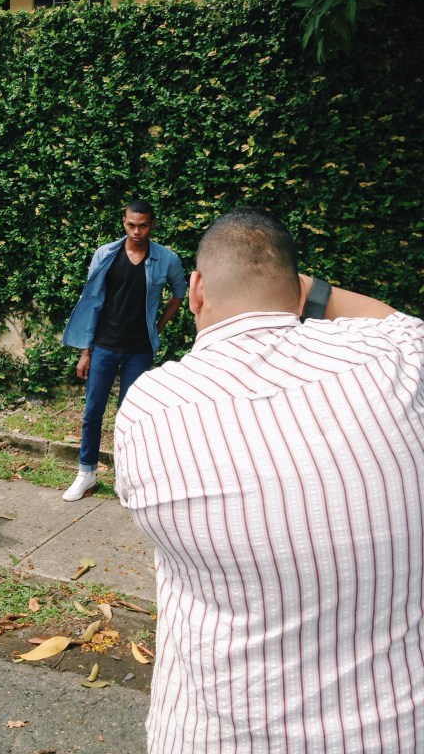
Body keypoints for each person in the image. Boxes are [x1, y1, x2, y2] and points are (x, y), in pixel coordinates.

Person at [114, 205, 424, 754]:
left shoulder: (151, 408)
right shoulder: (394, 361)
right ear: (299, 291)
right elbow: (402, 324)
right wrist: (308, 289)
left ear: (196, 290)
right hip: (394, 732)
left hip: (216, 737)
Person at [61, 199, 187, 501]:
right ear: (124, 223)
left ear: (152, 225)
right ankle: (87, 474)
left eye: (143, 226)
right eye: (131, 225)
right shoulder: (105, 254)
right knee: (92, 412)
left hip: (139, 350)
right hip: (104, 346)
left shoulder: (166, 259)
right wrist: (86, 352)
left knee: (129, 417)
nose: (137, 231)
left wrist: (158, 326)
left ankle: (126, 479)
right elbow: (92, 303)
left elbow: (179, 292)